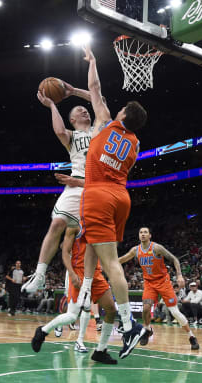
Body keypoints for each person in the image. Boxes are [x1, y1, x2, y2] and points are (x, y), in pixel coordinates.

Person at [75, 44, 149, 359]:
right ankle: (89, 294)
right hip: (121, 197)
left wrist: (92, 61)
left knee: (112, 264)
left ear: (121, 115)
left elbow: (95, 88)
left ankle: (129, 324)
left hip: (98, 195)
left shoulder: (106, 122)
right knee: (98, 249)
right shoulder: (135, 143)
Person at [20, 82, 94, 294]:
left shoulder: (99, 128)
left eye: (86, 109)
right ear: (73, 119)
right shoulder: (72, 136)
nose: (84, 110)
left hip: (98, 186)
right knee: (57, 223)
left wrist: (74, 92)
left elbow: (100, 101)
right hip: (76, 183)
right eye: (80, 110)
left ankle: (90, 286)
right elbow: (59, 130)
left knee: (94, 240)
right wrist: (52, 105)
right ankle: (40, 274)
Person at [31, 234, 120, 365]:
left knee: (111, 309)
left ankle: (100, 351)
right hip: (78, 271)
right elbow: (64, 249)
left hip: (96, 272)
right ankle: (43, 331)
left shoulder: (102, 225)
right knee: (72, 315)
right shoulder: (75, 223)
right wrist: (72, 273)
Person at [119, 227, 198, 349]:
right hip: (149, 283)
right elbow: (122, 259)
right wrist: (107, 263)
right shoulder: (135, 250)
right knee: (145, 308)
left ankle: (191, 336)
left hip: (163, 282)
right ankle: (147, 330)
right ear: (139, 235)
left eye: (145, 232)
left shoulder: (156, 248)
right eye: (141, 232)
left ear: (150, 235)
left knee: (175, 312)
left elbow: (174, 259)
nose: (143, 234)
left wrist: (179, 275)